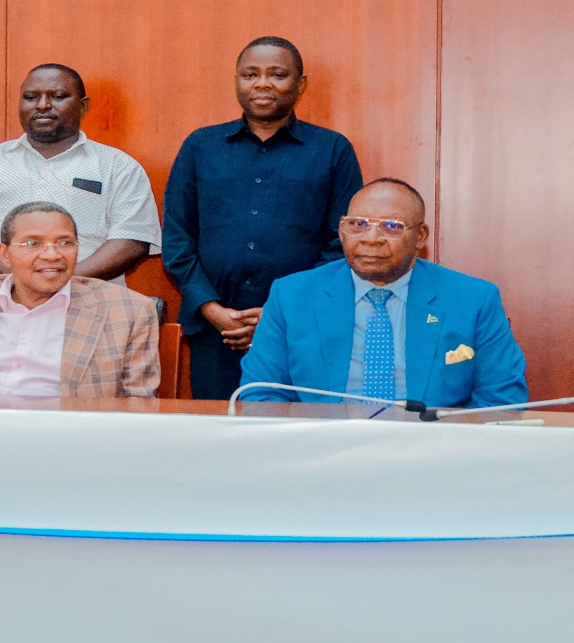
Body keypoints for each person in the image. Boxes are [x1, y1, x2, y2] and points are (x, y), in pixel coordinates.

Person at [163, 36, 363, 399]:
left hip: (302, 326)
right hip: (216, 329)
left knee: (297, 427)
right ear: (237, 81)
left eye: (277, 74)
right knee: (220, 424)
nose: (262, 84)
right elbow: (177, 238)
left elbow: (344, 243)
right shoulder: (200, 146)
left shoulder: (333, 150)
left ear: (301, 84)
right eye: (250, 74)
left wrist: (281, 311)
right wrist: (210, 308)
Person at [239, 179, 528, 407]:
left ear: (420, 236)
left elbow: (500, 399)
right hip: (325, 449)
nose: (371, 239)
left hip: (432, 449)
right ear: (341, 231)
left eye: (391, 227)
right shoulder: (291, 296)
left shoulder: (474, 300)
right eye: (358, 225)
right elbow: (261, 394)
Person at [0, 202, 160, 397]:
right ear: (5, 254)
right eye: (33, 243)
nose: (52, 255)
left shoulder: (129, 311)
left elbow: (138, 404)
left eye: (65, 243)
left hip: (70, 442)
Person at [0, 64, 160, 285]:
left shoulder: (119, 167)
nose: (42, 105)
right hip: (0, 296)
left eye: (57, 96)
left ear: (83, 106)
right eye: (31, 97)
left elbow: (132, 240)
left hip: (90, 297)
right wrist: (22, 278)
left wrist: (63, 281)